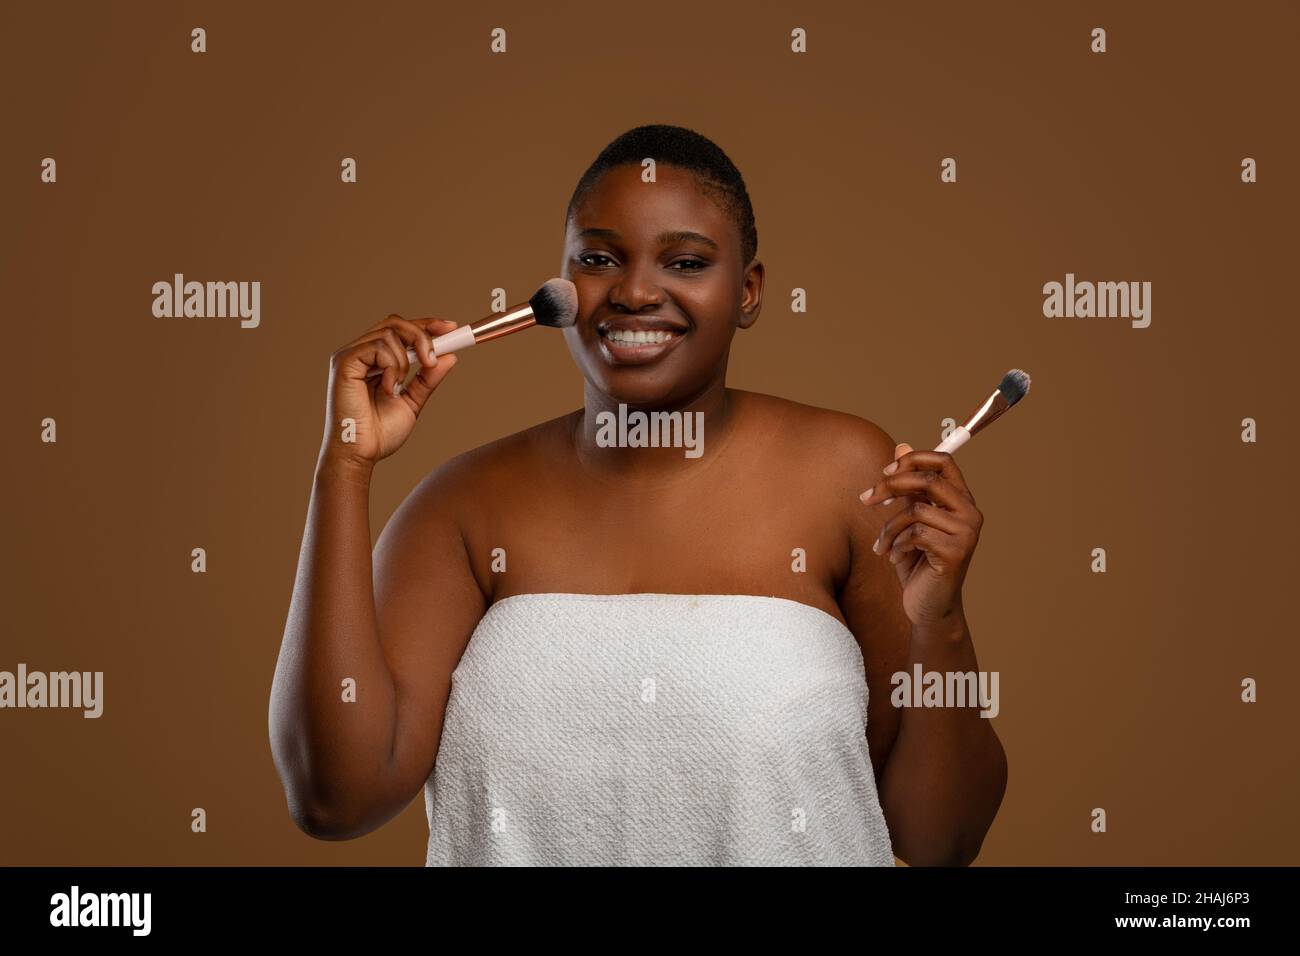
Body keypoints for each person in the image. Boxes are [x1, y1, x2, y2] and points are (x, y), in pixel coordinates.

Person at [269, 124, 1007, 866]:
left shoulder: (849, 474)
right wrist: (344, 465)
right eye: (597, 259)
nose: (634, 292)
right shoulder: (462, 506)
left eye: (685, 261)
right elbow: (334, 798)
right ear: (559, 283)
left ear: (747, 292)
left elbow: (939, 839)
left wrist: (938, 622)